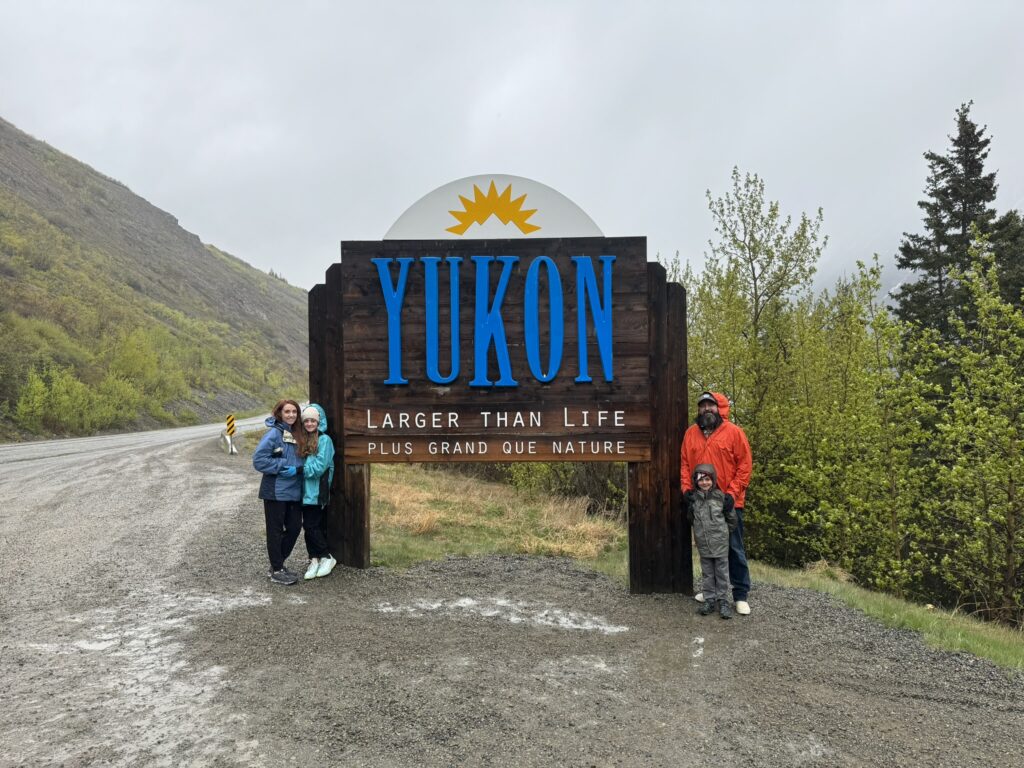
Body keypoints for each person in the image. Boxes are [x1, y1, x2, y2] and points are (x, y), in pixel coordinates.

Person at [681, 391, 754, 615]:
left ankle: (740, 594)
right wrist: (686, 490)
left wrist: (731, 494)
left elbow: (745, 466)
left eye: (710, 406)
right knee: (706, 550)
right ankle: (711, 591)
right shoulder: (691, 434)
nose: (706, 410)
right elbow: (685, 464)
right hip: (701, 504)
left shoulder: (734, 433)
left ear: (720, 408)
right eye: (702, 406)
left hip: (728, 504)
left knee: (733, 549)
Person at [253, 399, 306, 586]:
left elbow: (302, 460)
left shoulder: (299, 433)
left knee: (294, 528)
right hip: (275, 491)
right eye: (287, 412)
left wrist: (298, 469)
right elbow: (259, 461)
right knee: (274, 532)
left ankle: (278, 564)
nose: (291, 415)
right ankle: (276, 569)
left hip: (294, 491)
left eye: (294, 412)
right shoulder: (273, 434)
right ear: (280, 414)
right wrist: (283, 465)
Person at [688, 464, 738, 619]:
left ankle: (723, 601)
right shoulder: (693, 500)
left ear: (713, 480)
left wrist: (723, 533)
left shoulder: (721, 497)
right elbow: (692, 520)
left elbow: (732, 519)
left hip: (720, 543)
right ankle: (709, 599)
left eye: (707, 479)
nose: (704, 483)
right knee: (708, 573)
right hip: (703, 544)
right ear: (696, 482)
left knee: (721, 573)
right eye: (701, 480)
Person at [298, 404, 338, 580]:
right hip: (303, 493)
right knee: (309, 527)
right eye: (306, 420)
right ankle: (314, 559)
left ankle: (327, 557)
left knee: (311, 525)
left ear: (318, 421)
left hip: (317, 492)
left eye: (312, 420)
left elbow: (319, 468)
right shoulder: (303, 439)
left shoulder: (325, 440)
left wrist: (298, 469)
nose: (309, 423)